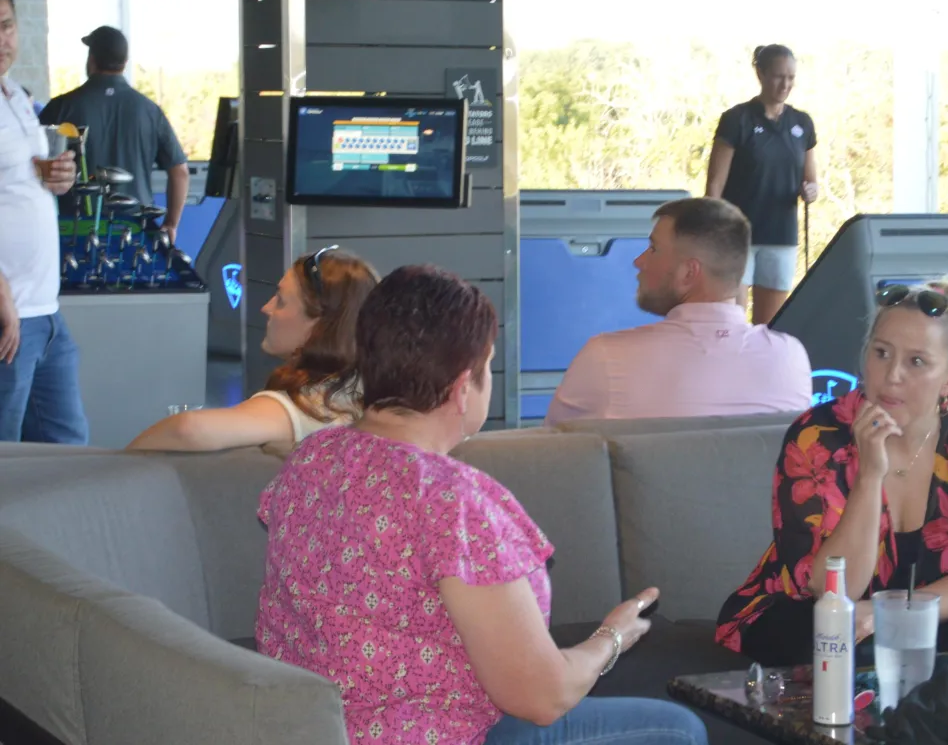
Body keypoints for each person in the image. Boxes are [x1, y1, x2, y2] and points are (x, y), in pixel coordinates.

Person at [256, 264, 708, 745]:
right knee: (677, 730)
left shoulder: (312, 457)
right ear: (461, 388)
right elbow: (542, 697)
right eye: (488, 366)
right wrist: (611, 638)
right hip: (432, 736)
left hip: (311, 729)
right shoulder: (453, 502)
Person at [715, 278, 948, 665]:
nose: (892, 375)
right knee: (843, 644)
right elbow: (835, 590)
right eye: (881, 353)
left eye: (916, 362)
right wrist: (870, 476)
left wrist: (888, 614)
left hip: (915, 616)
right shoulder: (819, 435)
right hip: (805, 615)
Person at [544, 197, 812, 426]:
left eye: (653, 249)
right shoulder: (790, 358)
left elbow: (553, 455)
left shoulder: (605, 359)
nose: (639, 261)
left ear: (688, 273)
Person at [127, 247, 378, 453]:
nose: (266, 308)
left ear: (318, 325)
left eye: (280, 301)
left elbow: (189, 429)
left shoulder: (310, 406)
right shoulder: (367, 389)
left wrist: (123, 462)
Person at [0, 0, 90, 444]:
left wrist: (55, 176)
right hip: (8, 313)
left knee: (67, 449)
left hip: (45, 310)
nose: (1, 39)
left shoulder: (15, 94)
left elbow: (20, 179)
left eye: (6, 26)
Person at [39, 26, 189, 245]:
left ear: (91, 59)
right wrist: (171, 224)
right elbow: (180, 172)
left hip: (76, 231)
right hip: (136, 231)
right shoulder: (150, 111)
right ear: (124, 63)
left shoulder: (60, 108)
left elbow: (31, 166)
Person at [705, 44, 819, 326]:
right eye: (779, 76)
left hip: (781, 235)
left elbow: (811, 182)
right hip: (737, 236)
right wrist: (712, 231)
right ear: (761, 74)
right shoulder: (737, 119)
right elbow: (715, 185)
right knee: (732, 322)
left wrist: (811, 191)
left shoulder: (802, 123)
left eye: (791, 78)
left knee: (769, 329)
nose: (785, 84)